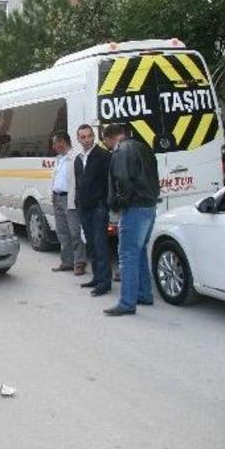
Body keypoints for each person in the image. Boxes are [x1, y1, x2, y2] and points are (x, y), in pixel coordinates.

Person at [104, 124, 160, 316]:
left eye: (107, 144)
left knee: (127, 254)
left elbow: (123, 181)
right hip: (149, 206)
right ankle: (144, 293)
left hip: (134, 208)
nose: (109, 147)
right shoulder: (144, 148)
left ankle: (127, 302)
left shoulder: (121, 150)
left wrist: (120, 204)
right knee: (140, 251)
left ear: (111, 138)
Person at [74, 124, 113, 297]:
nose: (86, 139)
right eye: (83, 137)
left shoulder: (104, 156)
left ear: (94, 136)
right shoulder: (78, 159)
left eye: (89, 136)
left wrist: (104, 203)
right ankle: (97, 278)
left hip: (98, 207)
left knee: (100, 244)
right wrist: (78, 203)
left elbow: (109, 182)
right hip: (84, 208)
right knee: (90, 244)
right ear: (78, 139)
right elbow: (78, 184)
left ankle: (105, 282)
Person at [50, 131, 86, 276]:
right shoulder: (59, 159)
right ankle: (67, 262)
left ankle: (80, 263)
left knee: (75, 232)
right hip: (57, 197)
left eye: (54, 143)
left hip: (69, 199)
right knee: (62, 232)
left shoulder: (75, 157)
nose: (53, 146)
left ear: (62, 142)